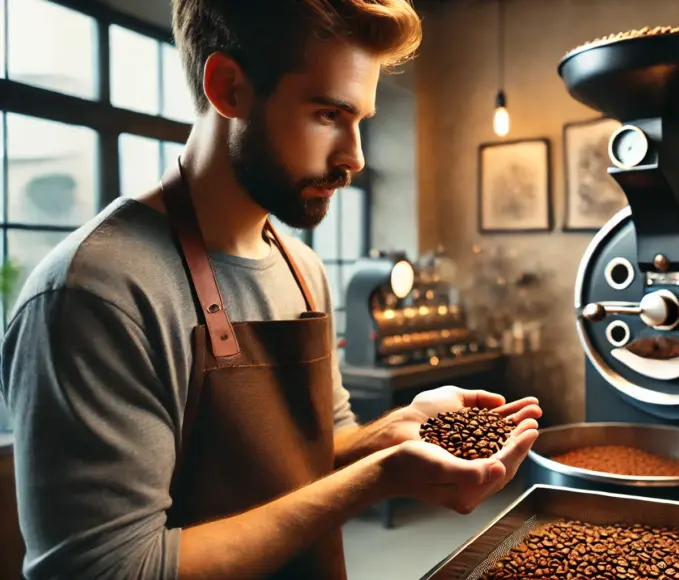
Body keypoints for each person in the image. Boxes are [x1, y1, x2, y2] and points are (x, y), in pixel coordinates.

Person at [0, 0, 542, 578]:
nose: (354, 157)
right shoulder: (95, 293)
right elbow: (111, 570)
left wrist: (394, 431)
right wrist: (380, 477)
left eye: (362, 121)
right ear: (229, 88)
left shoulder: (302, 270)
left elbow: (317, 446)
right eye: (328, 115)